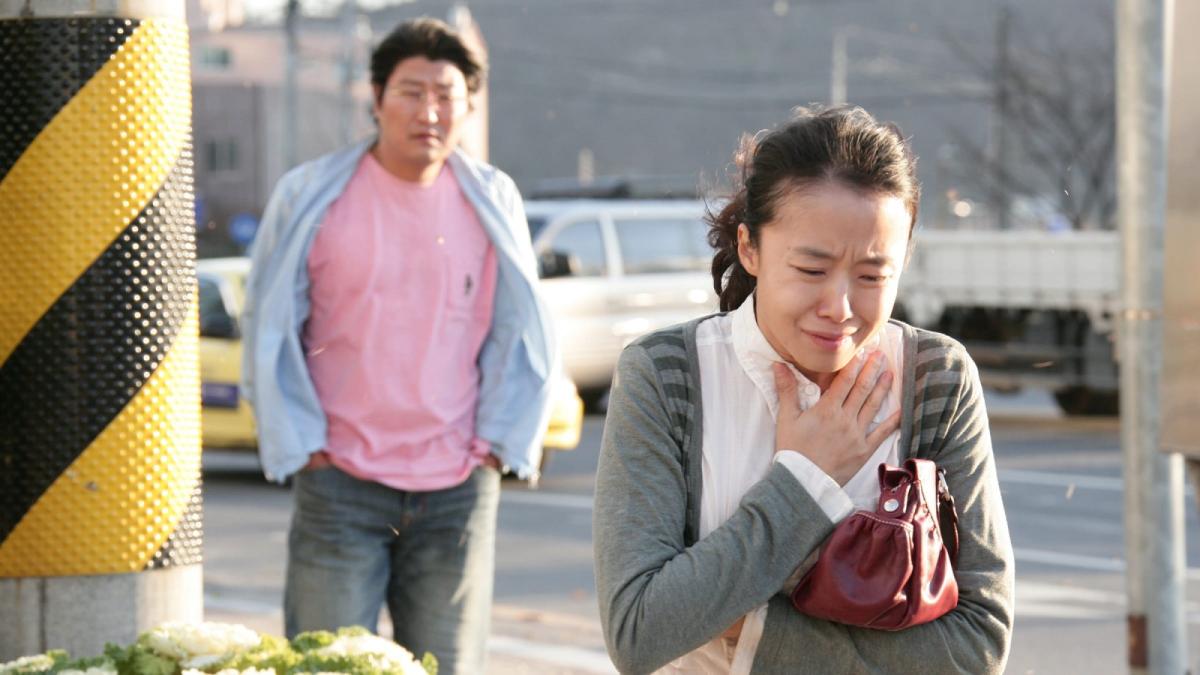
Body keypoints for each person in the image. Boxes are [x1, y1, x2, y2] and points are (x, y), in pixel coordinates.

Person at [593, 106, 1014, 674]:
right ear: (750, 249)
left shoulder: (934, 378)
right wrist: (805, 479)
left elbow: (977, 646)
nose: (839, 308)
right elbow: (640, 631)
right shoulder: (666, 375)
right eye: (811, 270)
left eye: (871, 276)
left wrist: (753, 631)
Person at [240, 18, 556, 674]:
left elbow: (516, 329)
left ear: (469, 107)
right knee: (325, 665)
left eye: (447, 95)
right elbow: (270, 323)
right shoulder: (310, 195)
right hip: (340, 479)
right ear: (377, 96)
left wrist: (495, 446)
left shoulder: (493, 198)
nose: (429, 111)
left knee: (447, 665)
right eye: (411, 92)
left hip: (457, 486)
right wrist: (306, 444)